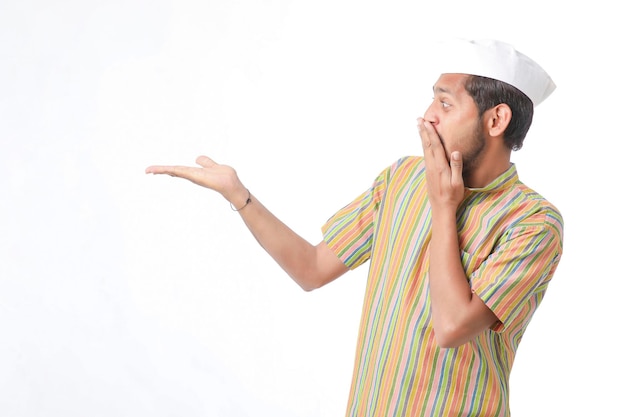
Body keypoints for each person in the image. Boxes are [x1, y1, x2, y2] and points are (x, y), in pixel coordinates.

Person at [145, 38, 564, 417]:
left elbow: (452, 326)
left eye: (446, 104)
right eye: (432, 101)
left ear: (496, 120)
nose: (428, 117)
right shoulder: (401, 180)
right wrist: (239, 195)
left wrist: (443, 206)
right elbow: (311, 268)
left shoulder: (533, 222)